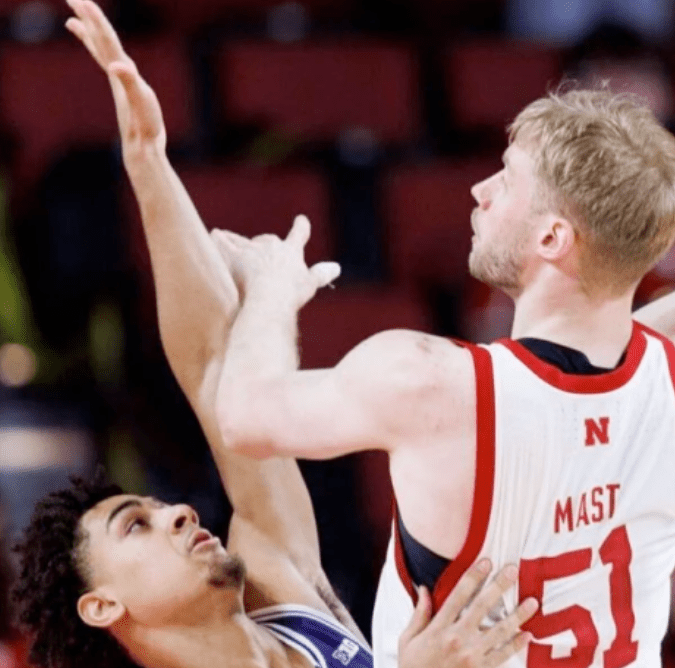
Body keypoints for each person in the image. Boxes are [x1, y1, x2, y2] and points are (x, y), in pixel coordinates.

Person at [211, 25, 675, 668]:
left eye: (507, 178)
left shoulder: (429, 384)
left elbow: (242, 416)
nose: (479, 191)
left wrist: (269, 287)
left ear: (552, 238)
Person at [10, 3, 538, 668]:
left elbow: (213, 368)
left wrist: (148, 164)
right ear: (102, 605)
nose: (178, 513)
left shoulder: (281, 590)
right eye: (136, 527)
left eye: (153, 507)